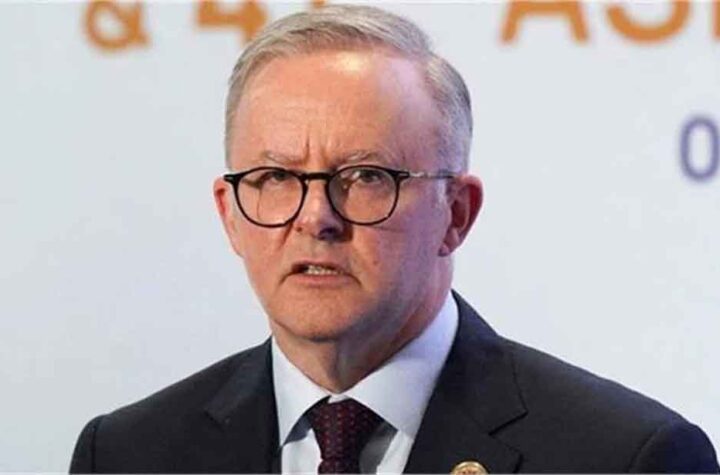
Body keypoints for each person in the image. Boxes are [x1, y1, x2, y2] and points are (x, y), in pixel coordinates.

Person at [69, 5, 719, 474]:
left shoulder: (626, 456)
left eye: (365, 177)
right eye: (275, 178)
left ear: (456, 214)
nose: (316, 217)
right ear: (230, 215)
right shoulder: (127, 454)